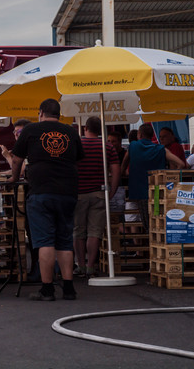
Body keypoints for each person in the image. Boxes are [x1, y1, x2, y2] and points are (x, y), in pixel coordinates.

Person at [9, 99, 84, 302]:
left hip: (41, 191)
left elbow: (16, 159)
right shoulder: (70, 132)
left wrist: (15, 178)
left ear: (41, 112)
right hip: (68, 192)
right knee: (65, 241)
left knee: (45, 242)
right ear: (59, 114)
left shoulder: (31, 130)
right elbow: (77, 158)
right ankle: (69, 289)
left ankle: (47, 289)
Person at [73, 117, 120, 278]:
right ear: (100, 130)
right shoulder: (107, 146)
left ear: (86, 128)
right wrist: (112, 191)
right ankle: (91, 266)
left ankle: (80, 265)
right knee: (95, 232)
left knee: (78, 231)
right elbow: (115, 170)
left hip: (78, 193)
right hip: (99, 193)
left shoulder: (77, 144)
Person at [122, 123, 185, 231]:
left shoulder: (133, 146)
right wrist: (171, 179)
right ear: (152, 136)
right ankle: (156, 241)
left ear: (139, 134)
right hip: (156, 190)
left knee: (146, 221)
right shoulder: (161, 149)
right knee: (156, 220)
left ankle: (148, 243)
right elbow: (181, 164)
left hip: (139, 191)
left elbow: (123, 166)